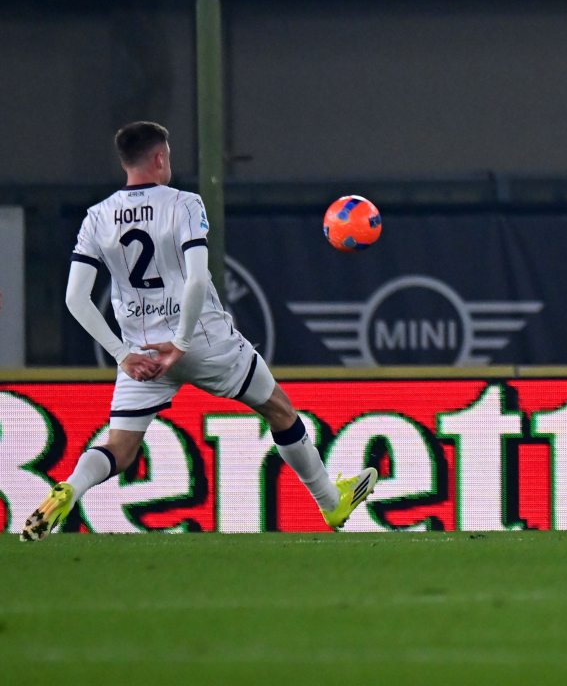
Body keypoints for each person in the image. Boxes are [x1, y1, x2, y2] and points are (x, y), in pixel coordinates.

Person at [22, 122, 377, 541]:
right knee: (278, 408)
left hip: (141, 352)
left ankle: (70, 488)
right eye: (167, 154)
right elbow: (195, 279)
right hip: (203, 341)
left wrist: (122, 354)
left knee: (119, 446)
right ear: (159, 158)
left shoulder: (97, 217)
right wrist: (182, 342)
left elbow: (75, 299)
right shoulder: (185, 204)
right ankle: (330, 502)